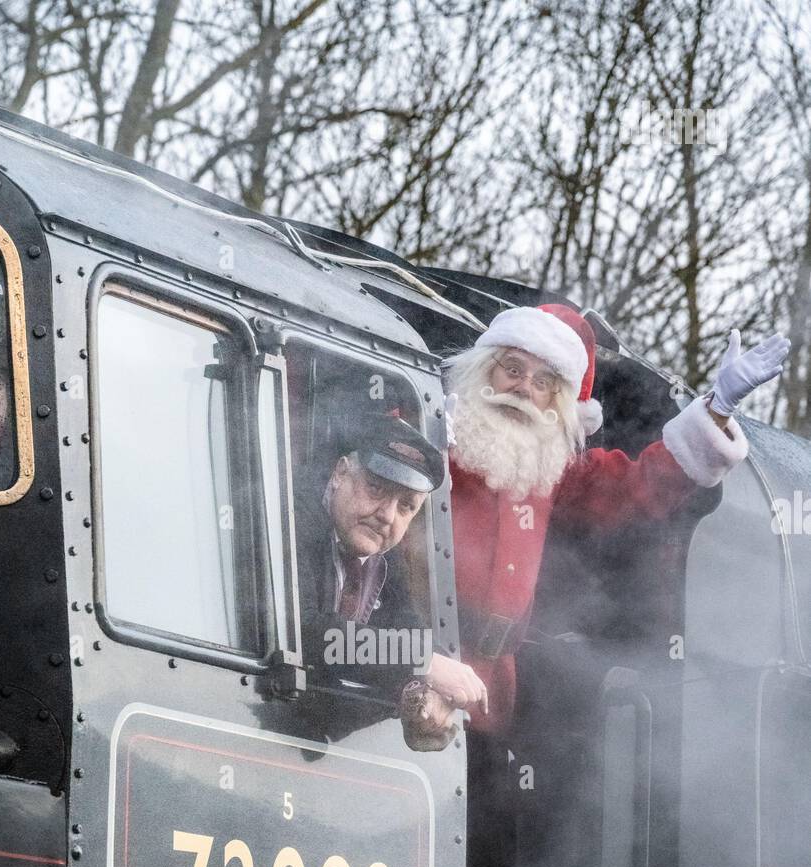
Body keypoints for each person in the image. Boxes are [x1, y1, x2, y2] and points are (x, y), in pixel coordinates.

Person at [417, 305, 791, 740]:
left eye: (543, 382)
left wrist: (718, 410)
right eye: (513, 369)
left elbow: (636, 489)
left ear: (558, 401)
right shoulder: (435, 433)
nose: (522, 389)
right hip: (421, 668)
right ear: (485, 371)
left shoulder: (552, 470)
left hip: (494, 691)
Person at [294, 412, 487, 744]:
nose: (387, 515)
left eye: (406, 506)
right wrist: (421, 661)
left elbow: (405, 624)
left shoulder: (382, 550)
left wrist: (423, 692)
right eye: (375, 488)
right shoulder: (293, 518)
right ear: (341, 472)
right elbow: (306, 633)